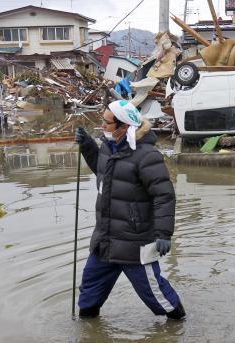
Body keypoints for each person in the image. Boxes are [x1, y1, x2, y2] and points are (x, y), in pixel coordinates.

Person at [74, 99, 185, 320]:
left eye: (107, 123)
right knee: (89, 294)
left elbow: (164, 196)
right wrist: (87, 145)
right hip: (105, 240)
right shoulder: (107, 147)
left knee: (158, 297)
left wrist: (163, 233)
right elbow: (104, 173)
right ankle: (89, 332)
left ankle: (181, 327)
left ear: (124, 127)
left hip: (133, 243)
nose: (102, 126)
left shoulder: (147, 156)